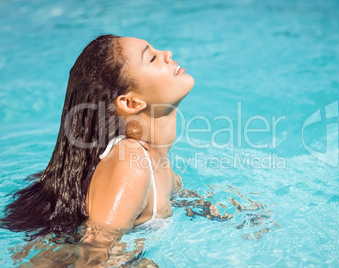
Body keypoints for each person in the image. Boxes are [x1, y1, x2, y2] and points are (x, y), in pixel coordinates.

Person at [0, 34, 194, 266]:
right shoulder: (130, 164)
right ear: (130, 103)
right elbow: (93, 251)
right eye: (152, 58)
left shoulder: (157, 161)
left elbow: (183, 199)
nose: (167, 53)